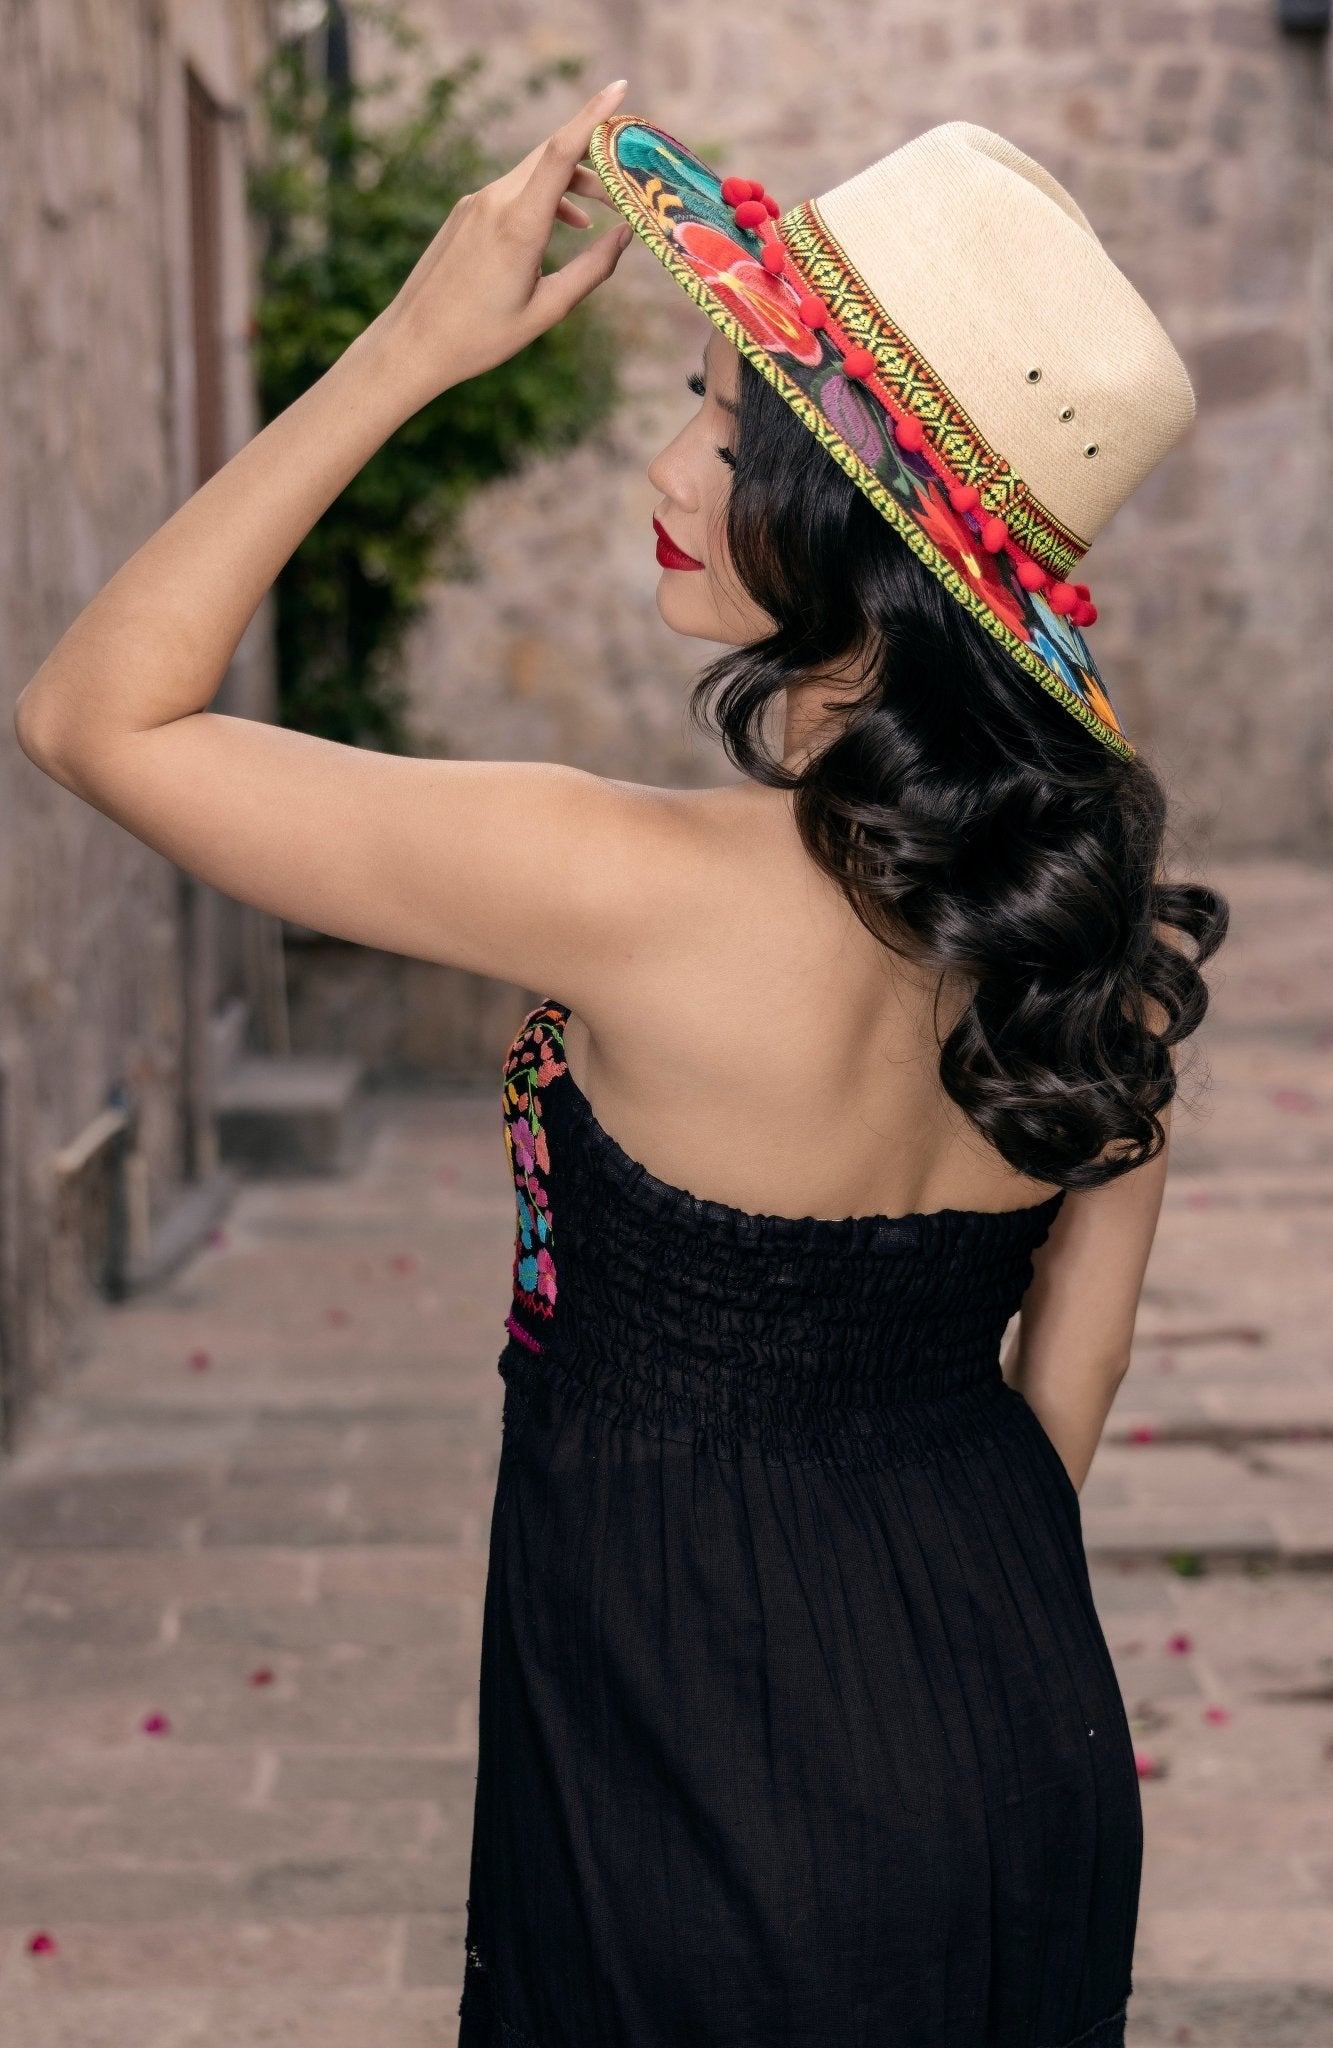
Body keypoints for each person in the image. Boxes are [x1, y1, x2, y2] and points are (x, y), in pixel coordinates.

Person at [15, 75, 1229, 2048]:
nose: (666, 466)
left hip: (693, 1767)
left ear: (862, 528)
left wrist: (406, 351)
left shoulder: (622, 884)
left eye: (727, 430)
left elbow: (94, 713)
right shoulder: (1090, 940)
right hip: (1009, 1718)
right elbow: (1057, 1390)